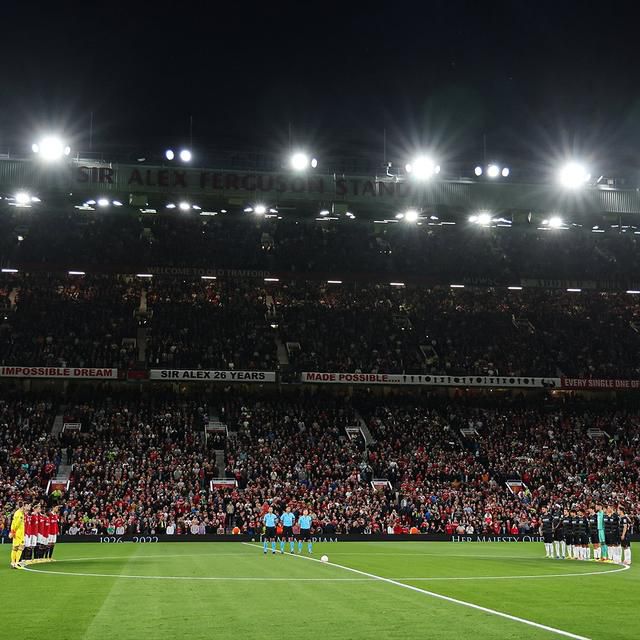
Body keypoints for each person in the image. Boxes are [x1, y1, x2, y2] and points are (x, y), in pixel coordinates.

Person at [9, 502, 29, 569]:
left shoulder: (19, 513)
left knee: (17, 548)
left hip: (19, 533)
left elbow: (13, 523)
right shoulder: (19, 514)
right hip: (18, 534)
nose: (27, 508)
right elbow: (16, 524)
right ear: (23, 506)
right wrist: (13, 532)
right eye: (26, 506)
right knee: (18, 548)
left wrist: (12, 531)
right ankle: (15, 563)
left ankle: (14, 563)